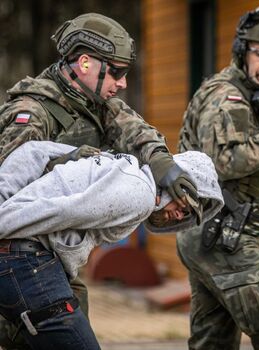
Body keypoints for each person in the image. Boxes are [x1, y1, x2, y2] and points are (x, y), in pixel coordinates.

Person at [0, 13, 197, 349]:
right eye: (117, 71)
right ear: (85, 63)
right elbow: (10, 183)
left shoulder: (94, 103)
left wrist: (162, 161)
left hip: (53, 260)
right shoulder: (32, 114)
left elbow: (135, 130)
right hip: (19, 260)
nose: (122, 82)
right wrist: (73, 162)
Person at [177, 3, 259, 350]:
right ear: (242, 51)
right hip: (222, 238)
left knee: (214, 341)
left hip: (217, 235)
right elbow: (221, 162)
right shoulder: (228, 97)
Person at [0, 140, 224, 349]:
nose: (179, 215)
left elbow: (33, 150)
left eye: (188, 215)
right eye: (185, 206)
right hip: (25, 262)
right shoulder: (140, 194)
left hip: (23, 261)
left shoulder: (120, 165)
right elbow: (63, 212)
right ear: (175, 181)